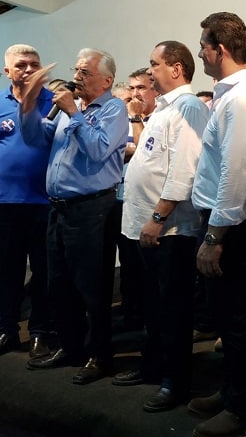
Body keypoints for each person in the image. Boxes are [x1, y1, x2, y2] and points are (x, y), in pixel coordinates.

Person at [188, 12, 246, 437]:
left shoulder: (242, 100)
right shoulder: (232, 96)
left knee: (235, 318)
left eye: (203, 47)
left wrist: (214, 236)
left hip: (234, 224)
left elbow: (236, 174)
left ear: (219, 49)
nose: (200, 54)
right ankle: (231, 392)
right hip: (229, 220)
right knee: (226, 315)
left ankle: (243, 408)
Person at [20, 48, 128, 386]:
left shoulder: (114, 109)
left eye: (85, 72)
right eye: (76, 70)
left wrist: (73, 112)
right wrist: (29, 103)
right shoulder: (70, 109)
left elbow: (98, 150)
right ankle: (71, 347)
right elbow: (34, 138)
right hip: (59, 207)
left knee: (92, 285)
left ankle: (100, 355)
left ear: (106, 80)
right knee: (59, 282)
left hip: (92, 209)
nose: (76, 77)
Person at [113, 41, 209, 412]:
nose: (150, 71)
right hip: (149, 228)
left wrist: (157, 218)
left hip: (169, 231)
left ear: (176, 68)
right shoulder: (165, 109)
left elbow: (185, 171)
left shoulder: (188, 107)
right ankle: (153, 366)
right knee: (153, 305)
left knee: (172, 309)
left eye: (155, 64)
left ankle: (175, 381)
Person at [0, 45, 54, 361]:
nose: (29, 69)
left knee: (44, 272)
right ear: (7, 71)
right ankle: (6, 330)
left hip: (46, 204)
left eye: (35, 63)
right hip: (2, 204)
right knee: (6, 273)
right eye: (21, 65)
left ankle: (40, 332)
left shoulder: (55, 102)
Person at [113, 68, 158, 331]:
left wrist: (136, 119)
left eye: (140, 88)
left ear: (154, 90)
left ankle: (148, 323)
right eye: (131, 88)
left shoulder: (156, 119)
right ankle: (131, 314)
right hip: (121, 200)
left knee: (147, 268)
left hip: (150, 206)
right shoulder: (124, 119)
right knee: (128, 263)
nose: (134, 94)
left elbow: (144, 154)